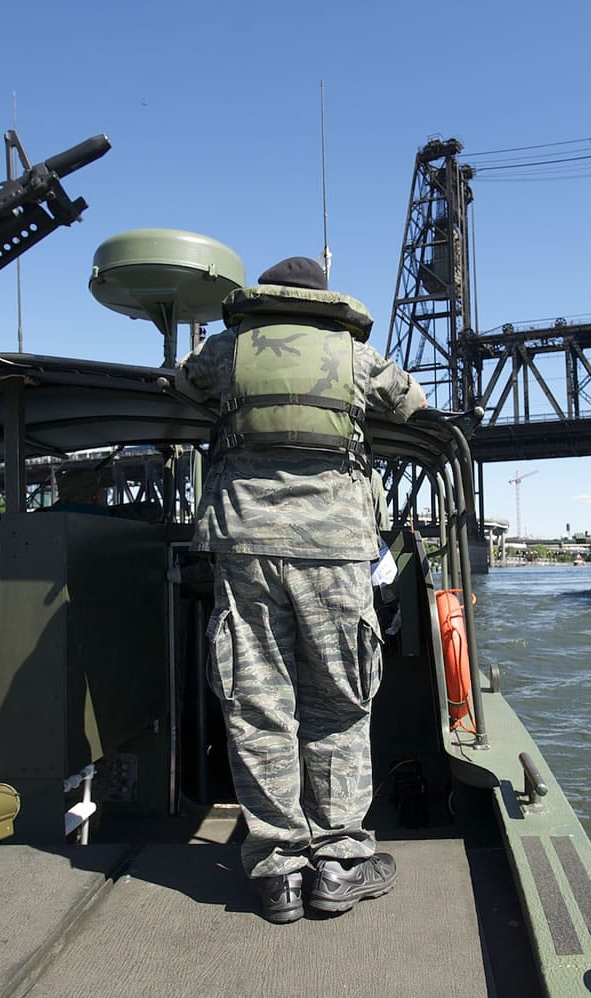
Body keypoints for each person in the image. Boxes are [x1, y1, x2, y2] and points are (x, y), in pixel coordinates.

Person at [177, 256, 426, 924]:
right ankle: (340, 864)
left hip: (246, 544)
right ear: (321, 299)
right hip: (336, 546)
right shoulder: (358, 355)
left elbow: (185, 386)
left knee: (258, 704)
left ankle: (279, 874)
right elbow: (413, 403)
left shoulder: (228, 350)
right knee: (340, 703)